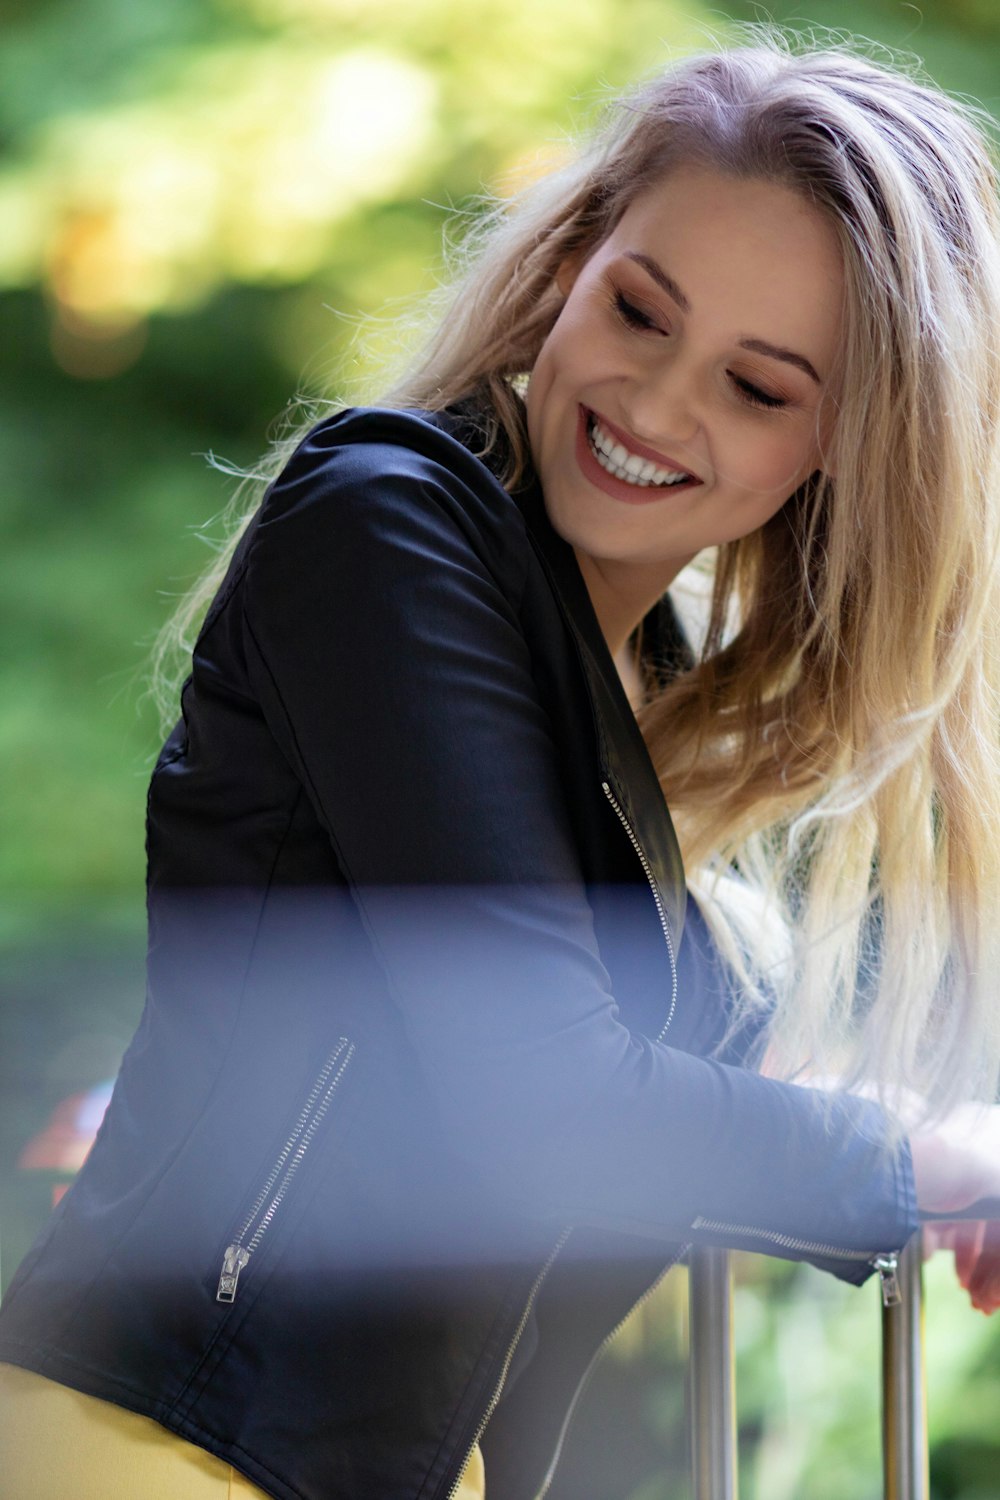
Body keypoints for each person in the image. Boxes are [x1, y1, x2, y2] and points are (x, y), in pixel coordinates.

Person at [3, 30, 1000, 1500]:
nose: (659, 406)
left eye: (759, 387)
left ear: (845, 446)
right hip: (166, 1443)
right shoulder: (392, 525)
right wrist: (915, 1165)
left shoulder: (633, 670)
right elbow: (548, 1095)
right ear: (572, 262)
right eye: (642, 311)